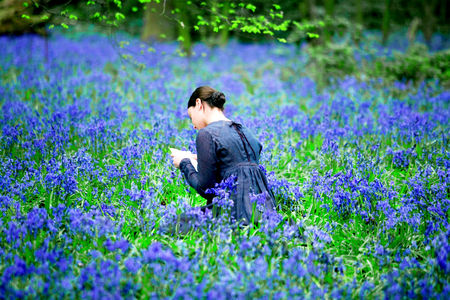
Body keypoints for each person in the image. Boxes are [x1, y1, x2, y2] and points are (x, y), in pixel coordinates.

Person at [170, 86, 276, 227]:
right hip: (266, 213)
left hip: (233, 213)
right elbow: (238, 163)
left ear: (198, 104)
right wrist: (198, 158)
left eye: (191, 117)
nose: (193, 126)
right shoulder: (244, 130)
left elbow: (206, 189)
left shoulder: (206, 134)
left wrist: (184, 163)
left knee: (172, 225)